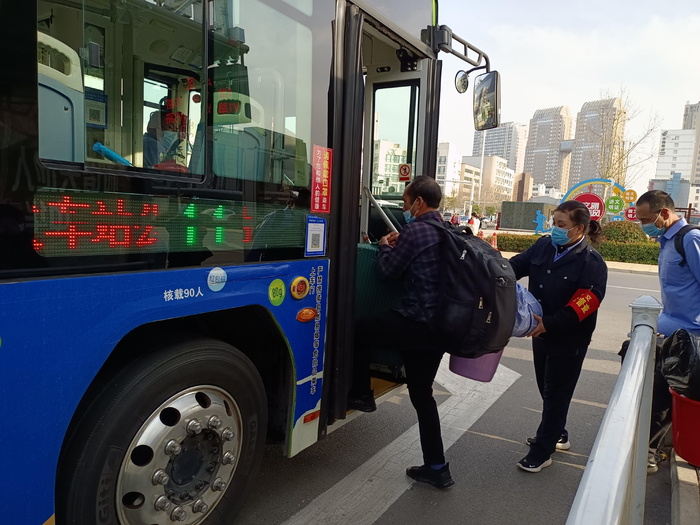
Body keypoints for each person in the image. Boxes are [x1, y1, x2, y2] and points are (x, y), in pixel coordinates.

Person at [348, 176, 454, 489]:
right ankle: (437, 467)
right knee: (422, 395)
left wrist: (383, 247)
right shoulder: (448, 230)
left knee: (357, 330)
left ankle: (361, 394)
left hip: (414, 322)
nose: (405, 208)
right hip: (440, 328)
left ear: (419, 202)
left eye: (406, 202)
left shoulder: (416, 230)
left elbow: (387, 272)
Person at [509, 200, 607, 473]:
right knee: (545, 386)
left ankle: (543, 451)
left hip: (569, 338)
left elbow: (585, 304)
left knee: (556, 392)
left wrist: (549, 324)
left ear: (579, 229)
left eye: (561, 225)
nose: (555, 229)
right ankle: (558, 433)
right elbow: (517, 265)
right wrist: (495, 271)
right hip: (540, 332)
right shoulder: (544, 246)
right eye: (554, 223)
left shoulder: (592, 262)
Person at [634, 190, 700, 472]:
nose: (643, 225)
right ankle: (648, 447)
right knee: (653, 391)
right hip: (669, 330)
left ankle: (648, 452)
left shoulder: (690, 239)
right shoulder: (667, 241)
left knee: (662, 394)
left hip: (691, 336)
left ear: (664, 213)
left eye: (646, 219)